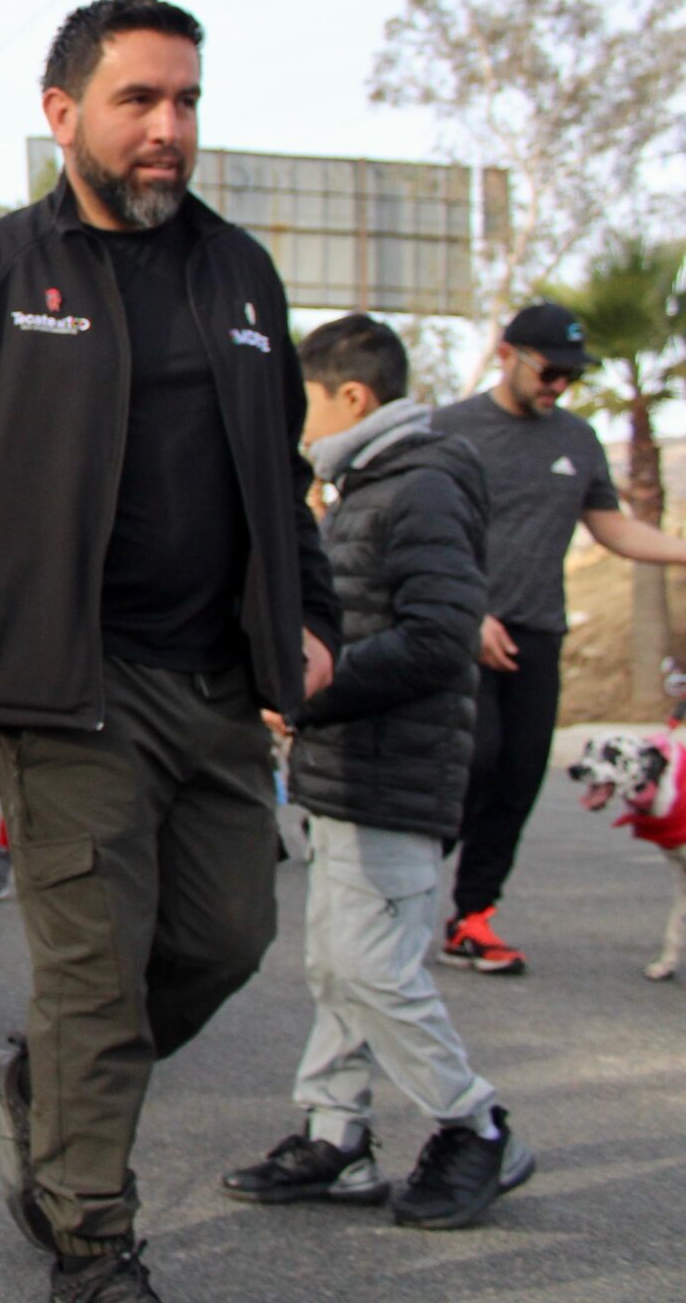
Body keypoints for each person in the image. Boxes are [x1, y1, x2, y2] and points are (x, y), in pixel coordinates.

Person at [0, 0, 339, 1303]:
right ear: (64, 115)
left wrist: (316, 616)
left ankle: (45, 1082)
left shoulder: (240, 274)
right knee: (94, 973)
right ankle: (92, 1240)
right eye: (140, 101)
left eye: (186, 102)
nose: (169, 128)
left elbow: (280, 476)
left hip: (217, 678)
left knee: (227, 934)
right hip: (63, 680)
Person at [221, 313, 535, 1229]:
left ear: (352, 396)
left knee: (375, 966)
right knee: (337, 964)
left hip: (398, 770)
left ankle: (476, 1126)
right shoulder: (370, 483)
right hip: (350, 768)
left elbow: (439, 640)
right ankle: (336, 1137)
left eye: (306, 404)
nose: (300, 425)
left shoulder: (423, 484)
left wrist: (312, 689)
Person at [433, 301, 686, 975]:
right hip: (456, 626)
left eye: (572, 377)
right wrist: (468, 610)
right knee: (472, 764)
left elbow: (611, 526)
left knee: (518, 776)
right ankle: (391, 901)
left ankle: (472, 917)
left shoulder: (577, 439)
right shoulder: (451, 430)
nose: (559, 387)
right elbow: (418, 532)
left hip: (538, 630)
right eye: (550, 371)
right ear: (511, 354)